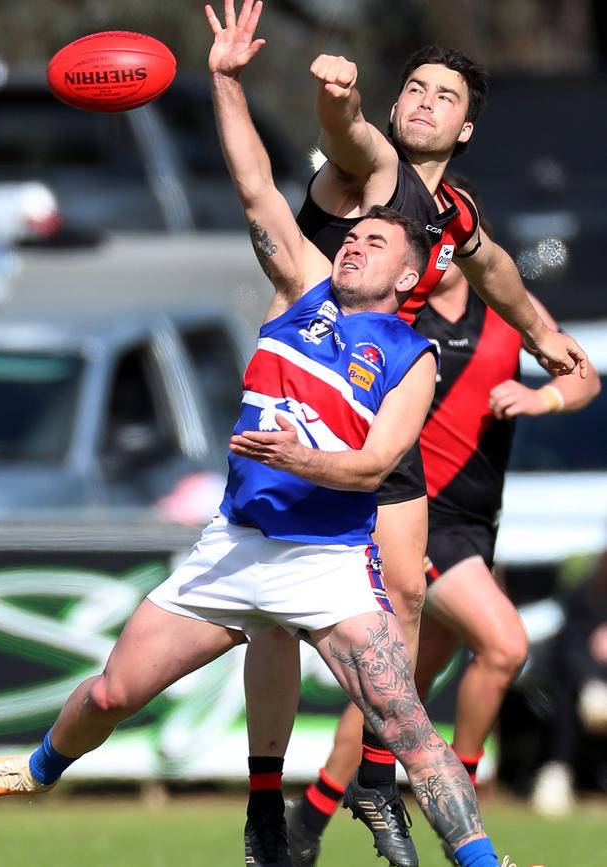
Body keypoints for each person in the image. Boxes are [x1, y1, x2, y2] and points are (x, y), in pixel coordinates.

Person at [0, 4, 503, 867]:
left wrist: (299, 457)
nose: (354, 240)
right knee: (112, 690)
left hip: (326, 563)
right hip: (235, 546)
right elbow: (256, 185)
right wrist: (223, 79)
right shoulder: (300, 288)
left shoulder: (413, 353)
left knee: (408, 723)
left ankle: (482, 862)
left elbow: (369, 469)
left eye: (375, 237)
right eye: (351, 233)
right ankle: (31, 769)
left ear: (411, 270)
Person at [242, 31, 588, 867]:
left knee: (401, 602)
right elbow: (346, 133)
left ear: (467, 128)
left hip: (378, 419)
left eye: (448, 96)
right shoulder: (371, 173)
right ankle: (280, 801)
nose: (427, 103)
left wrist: (546, 339)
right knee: (265, 624)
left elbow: (496, 265)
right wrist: (336, 94)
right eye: (417, 90)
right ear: (397, 107)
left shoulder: (450, 213)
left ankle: (362, 783)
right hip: (307, 410)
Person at [284, 224, 600, 867]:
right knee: (506, 643)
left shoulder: (509, 309)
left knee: (396, 689)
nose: (449, 244)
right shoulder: (401, 308)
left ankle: (308, 820)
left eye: (461, 231)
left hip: (478, 523)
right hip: (418, 517)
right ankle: (462, 805)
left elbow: (583, 378)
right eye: (437, 231)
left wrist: (543, 397)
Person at [530, 547, 607, 816]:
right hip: (582, 683)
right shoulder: (588, 589)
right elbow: (572, 643)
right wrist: (592, 680)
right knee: (567, 689)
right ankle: (557, 771)